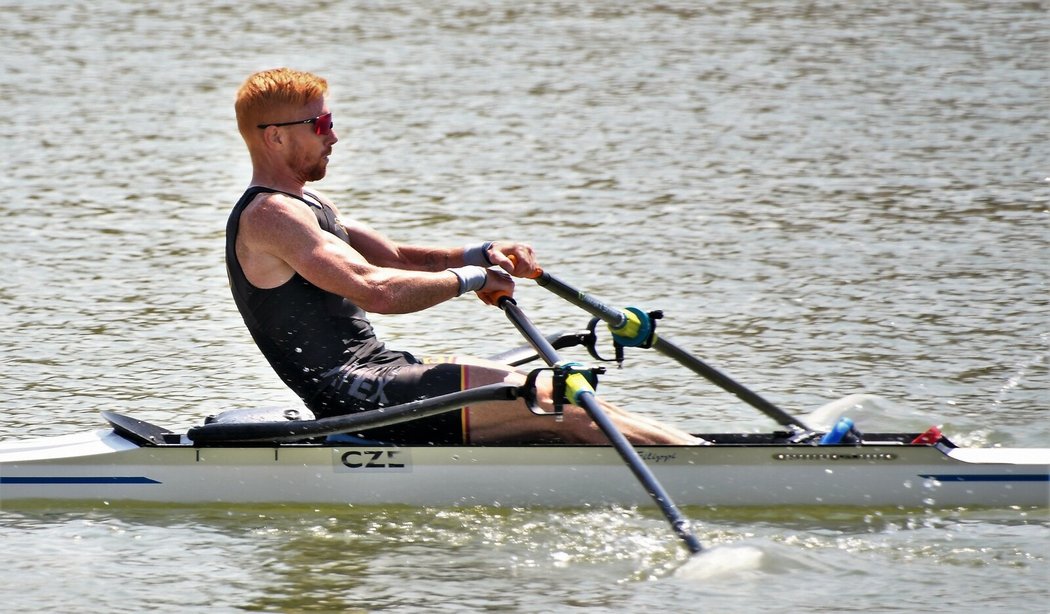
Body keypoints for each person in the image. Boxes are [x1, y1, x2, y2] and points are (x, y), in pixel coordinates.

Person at [229, 67, 703, 446]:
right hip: (354, 394)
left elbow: (397, 257)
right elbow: (374, 289)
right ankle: (708, 466)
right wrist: (474, 279)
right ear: (275, 137)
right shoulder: (269, 215)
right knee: (555, 403)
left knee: (558, 397)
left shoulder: (308, 205)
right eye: (322, 125)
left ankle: (696, 451)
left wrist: (484, 252)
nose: (333, 137)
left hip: (384, 372)